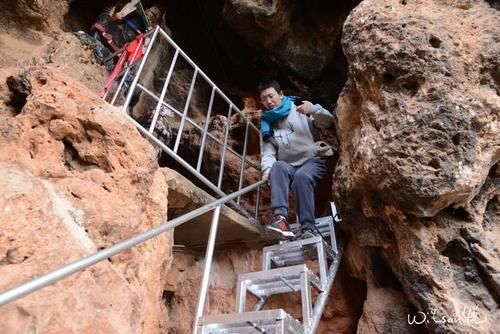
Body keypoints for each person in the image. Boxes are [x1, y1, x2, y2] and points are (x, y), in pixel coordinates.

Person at [259, 80, 334, 239]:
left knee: (302, 177)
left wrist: (313, 109)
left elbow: (328, 121)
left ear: (281, 94)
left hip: (313, 160)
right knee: (277, 166)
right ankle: (281, 220)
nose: (269, 101)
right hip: (290, 166)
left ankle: (308, 227)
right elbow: (268, 152)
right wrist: (267, 172)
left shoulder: (299, 107)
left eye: (271, 96)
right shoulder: (266, 125)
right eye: (264, 99)